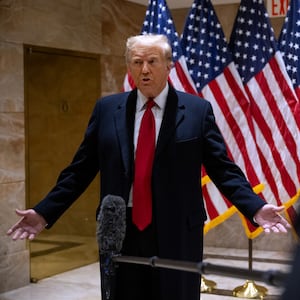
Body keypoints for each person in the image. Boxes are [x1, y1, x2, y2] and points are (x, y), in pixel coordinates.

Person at [7, 34, 291, 300]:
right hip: (122, 231)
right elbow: (80, 169)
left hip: (177, 232)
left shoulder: (196, 111)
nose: (144, 69)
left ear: (169, 66)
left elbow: (222, 169)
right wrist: (45, 212)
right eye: (137, 62)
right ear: (129, 67)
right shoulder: (107, 110)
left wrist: (254, 207)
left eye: (152, 61)